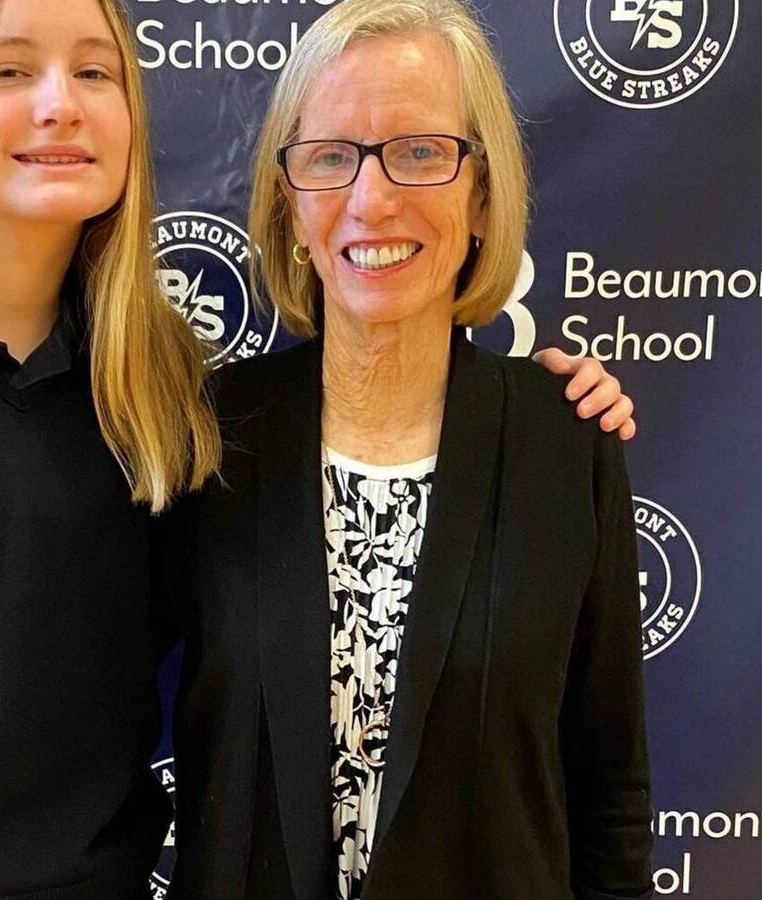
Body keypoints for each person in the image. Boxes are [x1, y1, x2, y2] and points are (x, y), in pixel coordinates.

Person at [0, 0, 635, 898]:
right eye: (9, 69)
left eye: (95, 71)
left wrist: (543, 417)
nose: (59, 104)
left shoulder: (157, 399)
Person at [165, 1, 654, 898]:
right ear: (290, 204)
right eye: (330, 157)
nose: (372, 199)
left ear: (482, 194)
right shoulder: (207, 439)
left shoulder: (565, 446)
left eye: (421, 152)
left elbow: (609, 792)